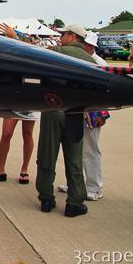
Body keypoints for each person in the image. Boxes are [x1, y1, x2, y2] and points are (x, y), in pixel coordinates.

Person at [36, 24, 94, 217]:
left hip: (52, 109)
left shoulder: (55, 52)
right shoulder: (89, 59)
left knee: (47, 155)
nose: (61, 37)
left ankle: (46, 198)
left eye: (63, 34)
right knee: (74, 159)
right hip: (75, 113)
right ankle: (74, 203)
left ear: (73, 36)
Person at [57, 31, 109, 201]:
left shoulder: (99, 63)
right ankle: (75, 182)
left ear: (91, 46)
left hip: (92, 113)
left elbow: (106, 91)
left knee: (90, 150)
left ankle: (94, 187)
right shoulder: (78, 59)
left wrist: (102, 114)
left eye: (87, 45)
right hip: (77, 111)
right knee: (74, 148)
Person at [0, 23, 38, 185]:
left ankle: (24, 170)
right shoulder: (9, 50)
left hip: (29, 97)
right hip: (14, 97)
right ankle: (1, 169)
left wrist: (15, 37)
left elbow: (30, 53)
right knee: (6, 133)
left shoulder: (31, 47)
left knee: (27, 134)